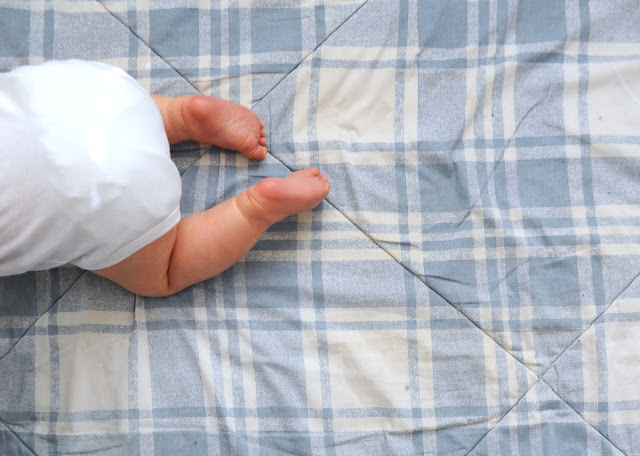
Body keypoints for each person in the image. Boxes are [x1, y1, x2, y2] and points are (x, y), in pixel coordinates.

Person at [0, 60, 329, 296]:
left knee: (167, 270)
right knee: (81, 119)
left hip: (107, 195)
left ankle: (254, 208)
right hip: (84, 90)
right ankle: (178, 115)